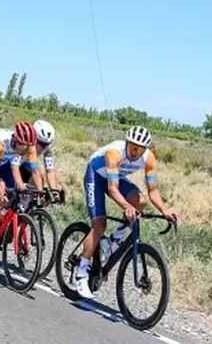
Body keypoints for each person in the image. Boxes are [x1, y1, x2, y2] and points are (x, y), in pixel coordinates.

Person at [76, 125, 179, 298]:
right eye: (131, 146)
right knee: (99, 225)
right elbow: (113, 189)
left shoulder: (149, 159)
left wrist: (165, 211)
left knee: (140, 202)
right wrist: (126, 207)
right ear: (126, 143)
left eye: (139, 149)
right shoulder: (114, 153)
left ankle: (114, 240)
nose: (134, 151)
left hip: (115, 177)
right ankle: (81, 274)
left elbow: (152, 191)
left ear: (145, 149)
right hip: (96, 176)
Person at [0, 121, 42, 245]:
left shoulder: (28, 147)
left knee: (15, 192)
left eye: (28, 147)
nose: (26, 150)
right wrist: (0, 193)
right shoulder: (0, 142)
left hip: (4, 162)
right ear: (15, 139)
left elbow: (35, 171)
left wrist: (40, 192)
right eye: (23, 146)